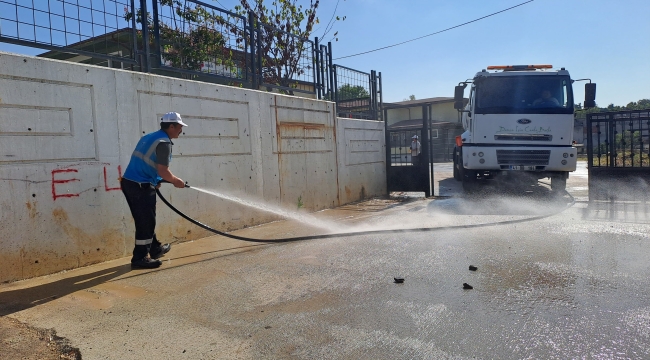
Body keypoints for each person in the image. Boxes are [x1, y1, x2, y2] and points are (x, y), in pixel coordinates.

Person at [121, 112, 188, 269]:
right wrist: (175, 181)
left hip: (130, 182)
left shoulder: (149, 137)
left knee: (146, 218)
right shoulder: (164, 142)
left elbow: (146, 162)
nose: (181, 130)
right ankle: (140, 258)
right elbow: (163, 170)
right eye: (179, 127)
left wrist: (156, 180)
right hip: (140, 186)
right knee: (146, 221)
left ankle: (155, 248)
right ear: (171, 126)